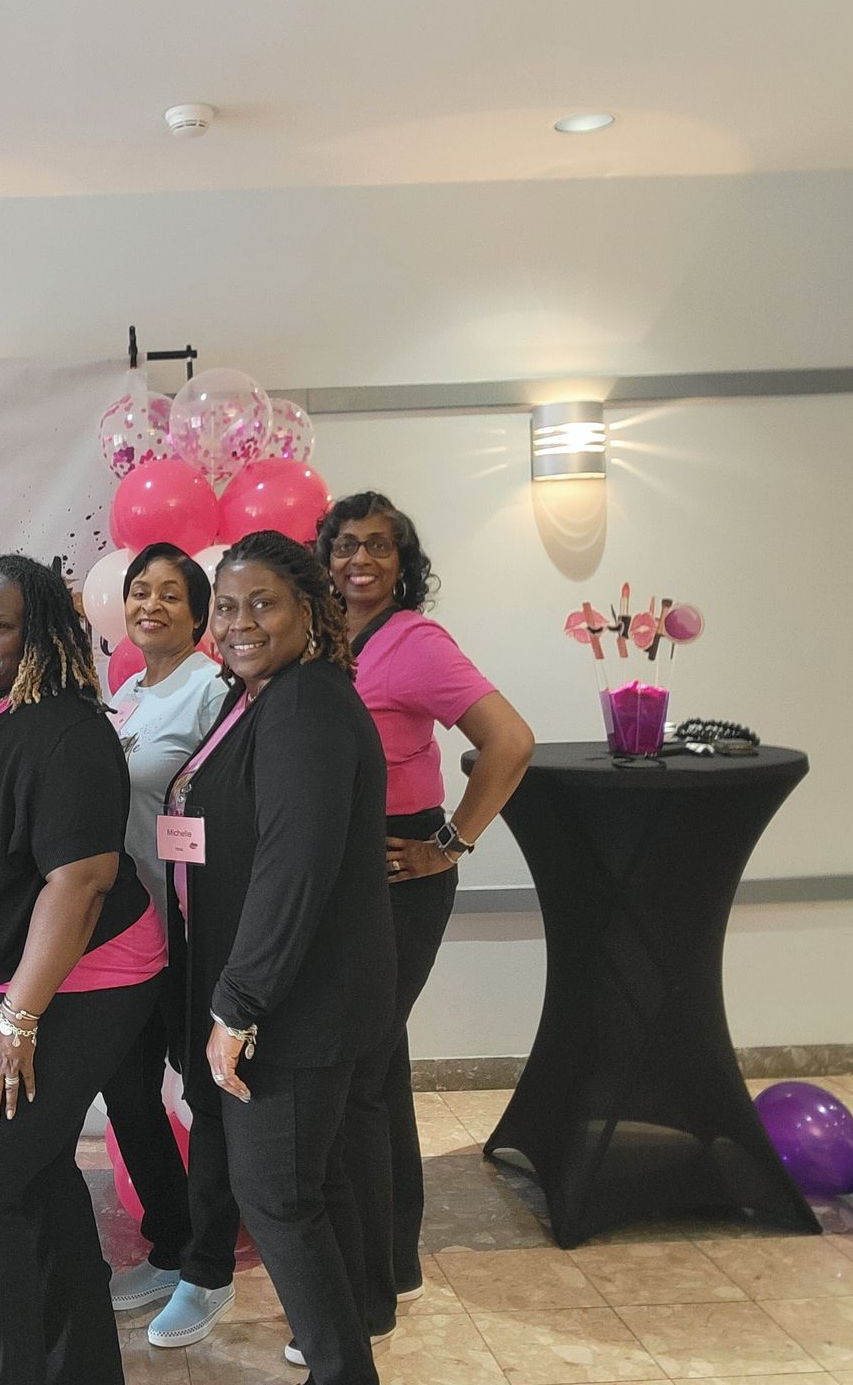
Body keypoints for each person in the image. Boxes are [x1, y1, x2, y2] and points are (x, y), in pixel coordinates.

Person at [0, 554, 165, 1385]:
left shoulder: (69, 730)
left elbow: (80, 884)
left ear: (41, 632)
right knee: (26, 1179)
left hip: (70, 982)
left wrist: (17, 1018)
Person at [157, 531, 396, 1385]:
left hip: (293, 1006)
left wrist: (239, 1005)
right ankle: (351, 1341)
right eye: (226, 606)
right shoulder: (261, 698)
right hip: (285, 992)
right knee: (314, 1184)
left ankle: (342, 1367)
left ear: (310, 611)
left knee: (278, 1196)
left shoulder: (304, 706)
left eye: (263, 603)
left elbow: (294, 866)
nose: (240, 621)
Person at [315, 491, 534, 1339]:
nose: (358, 561)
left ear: (404, 563)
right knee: (378, 1065)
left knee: (361, 1074)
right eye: (343, 545)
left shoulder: (414, 642)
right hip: (345, 870)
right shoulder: (333, 637)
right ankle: (394, 1261)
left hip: (400, 868)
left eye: (376, 547)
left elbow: (510, 741)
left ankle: (369, 1289)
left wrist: (452, 841)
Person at [98, 543, 228, 1315]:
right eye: (140, 591)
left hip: (189, 926)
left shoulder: (210, 690)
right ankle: (173, 1241)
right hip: (125, 927)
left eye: (171, 595)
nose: (151, 605)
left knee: (207, 1098)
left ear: (200, 613)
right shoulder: (128, 695)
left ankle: (211, 1259)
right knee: (129, 1093)